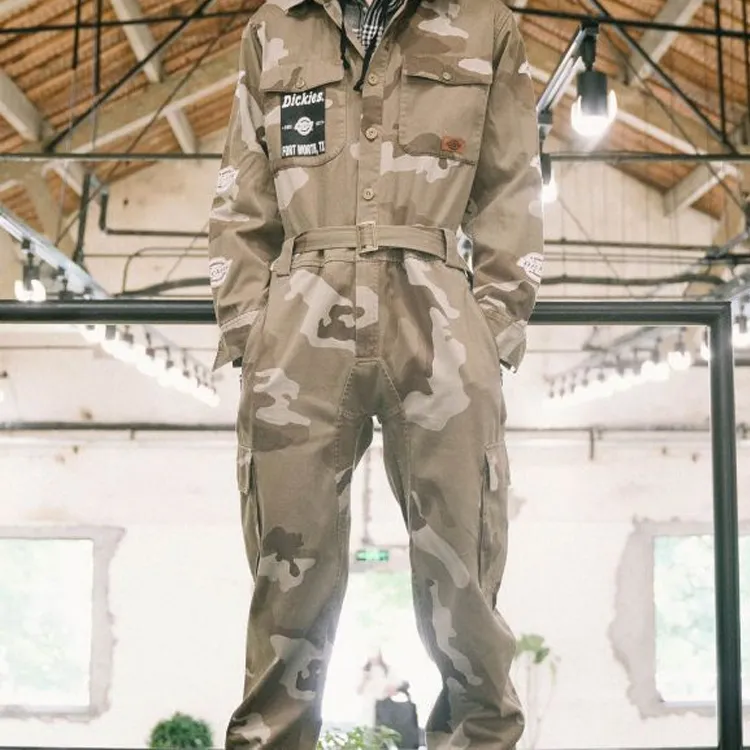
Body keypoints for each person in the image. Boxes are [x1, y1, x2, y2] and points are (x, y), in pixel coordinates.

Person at [208, 0, 543, 747]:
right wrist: (251, 329)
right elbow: (239, 196)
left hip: (439, 316)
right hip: (299, 320)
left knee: (463, 571)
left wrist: (492, 328)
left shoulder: (485, 24)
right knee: (287, 578)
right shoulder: (275, 27)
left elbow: (513, 186)